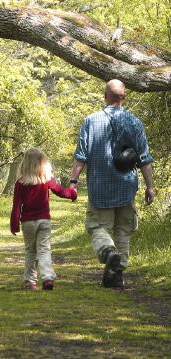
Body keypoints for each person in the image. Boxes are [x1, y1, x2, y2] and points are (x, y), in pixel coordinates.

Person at [69, 79, 154, 288]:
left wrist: (73, 181)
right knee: (123, 231)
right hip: (126, 188)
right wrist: (150, 186)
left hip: (100, 189)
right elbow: (144, 159)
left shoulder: (90, 121)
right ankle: (116, 275)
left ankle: (107, 251)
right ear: (124, 97)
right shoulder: (135, 123)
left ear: (105, 96)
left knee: (98, 227)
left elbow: (81, 156)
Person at [10, 147, 77, 291]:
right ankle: (47, 278)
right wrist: (72, 193)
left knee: (30, 252)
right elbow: (60, 192)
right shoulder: (47, 179)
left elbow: (16, 206)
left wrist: (14, 224)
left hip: (27, 222)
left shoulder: (20, 183)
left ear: (25, 164)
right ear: (42, 164)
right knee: (44, 250)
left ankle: (30, 282)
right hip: (44, 221)